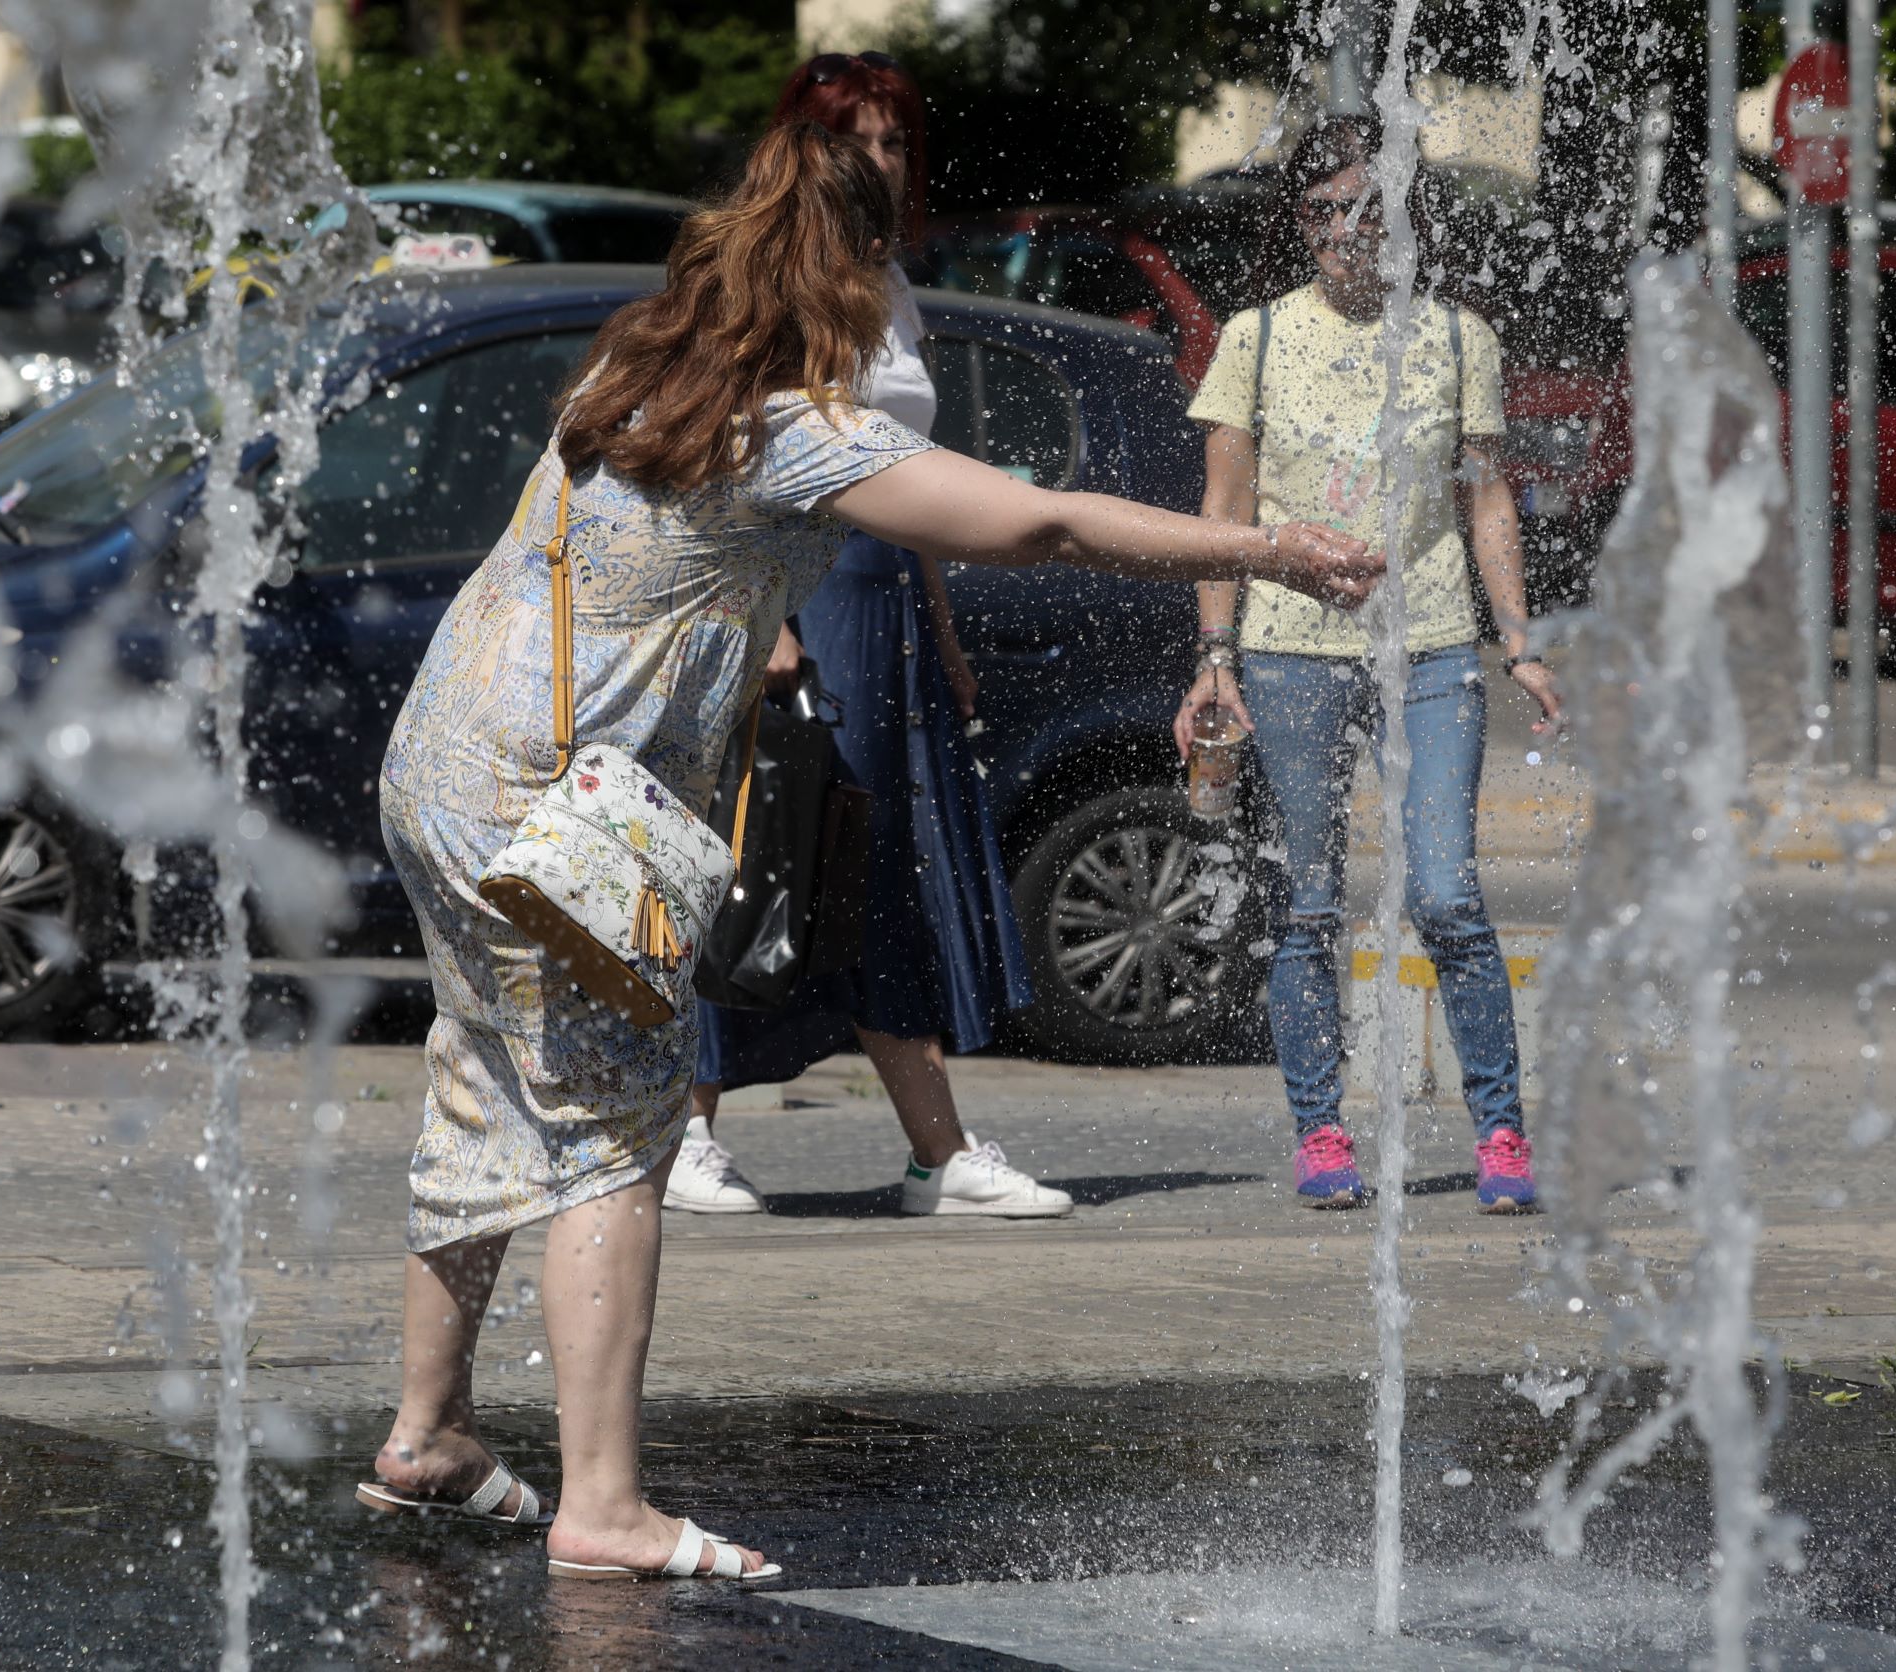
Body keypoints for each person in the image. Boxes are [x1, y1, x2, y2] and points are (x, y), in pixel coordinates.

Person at [363, 122, 1377, 1582]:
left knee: (489, 1081)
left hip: (447, 756)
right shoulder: (790, 434)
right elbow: (1034, 521)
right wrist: (1263, 550)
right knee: (612, 1128)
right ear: (842, 279)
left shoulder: (630, 370)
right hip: (556, 801)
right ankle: (604, 1506)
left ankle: (429, 1436)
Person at [666, 51, 1065, 1222]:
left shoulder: (893, 287)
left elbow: (916, 477)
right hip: (805, 588)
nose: (883, 164)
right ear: (811, 148)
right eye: (861, 142)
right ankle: (685, 1125)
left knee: (881, 867)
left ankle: (937, 1152)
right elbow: (733, 457)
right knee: (767, 850)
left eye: (898, 144)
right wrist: (770, 623)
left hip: (886, 600)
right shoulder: (780, 283)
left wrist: (936, 623)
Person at [1172, 115, 1556, 1215]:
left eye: (1366, 209)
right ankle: (1322, 1128)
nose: (1346, 232)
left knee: (1447, 895)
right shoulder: (1255, 337)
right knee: (1306, 905)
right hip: (1290, 655)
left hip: (1431, 644)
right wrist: (1215, 655)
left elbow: (1486, 502)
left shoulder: (1458, 336)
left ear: (1404, 216)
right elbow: (1224, 514)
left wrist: (1518, 637)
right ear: (1298, 223)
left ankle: (1500, 1135)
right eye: (1323, 211)